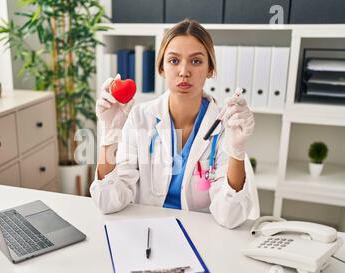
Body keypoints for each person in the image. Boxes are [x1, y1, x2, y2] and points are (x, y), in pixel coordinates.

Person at [90, 19, 255, 229]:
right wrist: (109, 134)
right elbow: (107, 202)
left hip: (201, 236)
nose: (184, 71)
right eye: (174, 61)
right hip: (146, 231)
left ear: (210, 69)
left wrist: (237, 150)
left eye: (196, 61)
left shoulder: (224, 125)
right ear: (161, 68)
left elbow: (230, 217)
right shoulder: (140, 117)